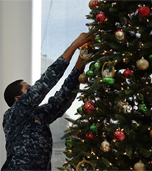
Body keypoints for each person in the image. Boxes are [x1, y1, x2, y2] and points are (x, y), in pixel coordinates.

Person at [1, 33, 94, 171]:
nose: (33, 89)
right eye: (28, 88)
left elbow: (62, 98)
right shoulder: (12, 116)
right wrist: (74, 46)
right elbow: (45, 83)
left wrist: (81, 59)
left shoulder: (39, 115)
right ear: (18, 99)